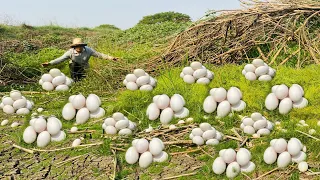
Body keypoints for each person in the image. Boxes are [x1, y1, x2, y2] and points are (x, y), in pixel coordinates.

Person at [42, 38, 118, 81]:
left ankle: (81, 79)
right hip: (74, 68)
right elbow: (60, 59)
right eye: (77, 46)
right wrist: (49, 63)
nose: (79, 48)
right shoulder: (70, 52)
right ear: (74, 47)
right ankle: (74, 79)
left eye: (80, 46)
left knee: (83, 79)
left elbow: (99, 55)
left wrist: (111, 58)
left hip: (84, 67)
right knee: (73, 65)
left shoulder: (88, 50)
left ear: (82, 46)